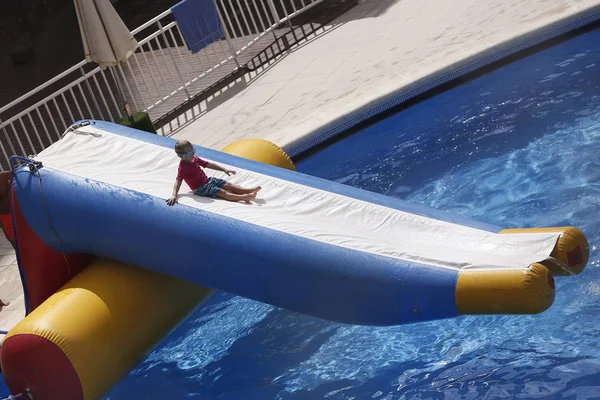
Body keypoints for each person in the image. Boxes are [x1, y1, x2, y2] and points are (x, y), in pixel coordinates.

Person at [166, 140, 261, 206]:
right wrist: (174, 194)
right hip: (200, 188)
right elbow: (178, 181)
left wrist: (224, 169)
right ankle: (244, 197)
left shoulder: (195, 158)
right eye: (189, 154)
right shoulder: (182, 167)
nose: (192, 155)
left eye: (193, 151)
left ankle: (247, 190)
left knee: (227, 184)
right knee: (222, 192)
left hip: (207, 180)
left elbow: (208, 164)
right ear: (180, 156)